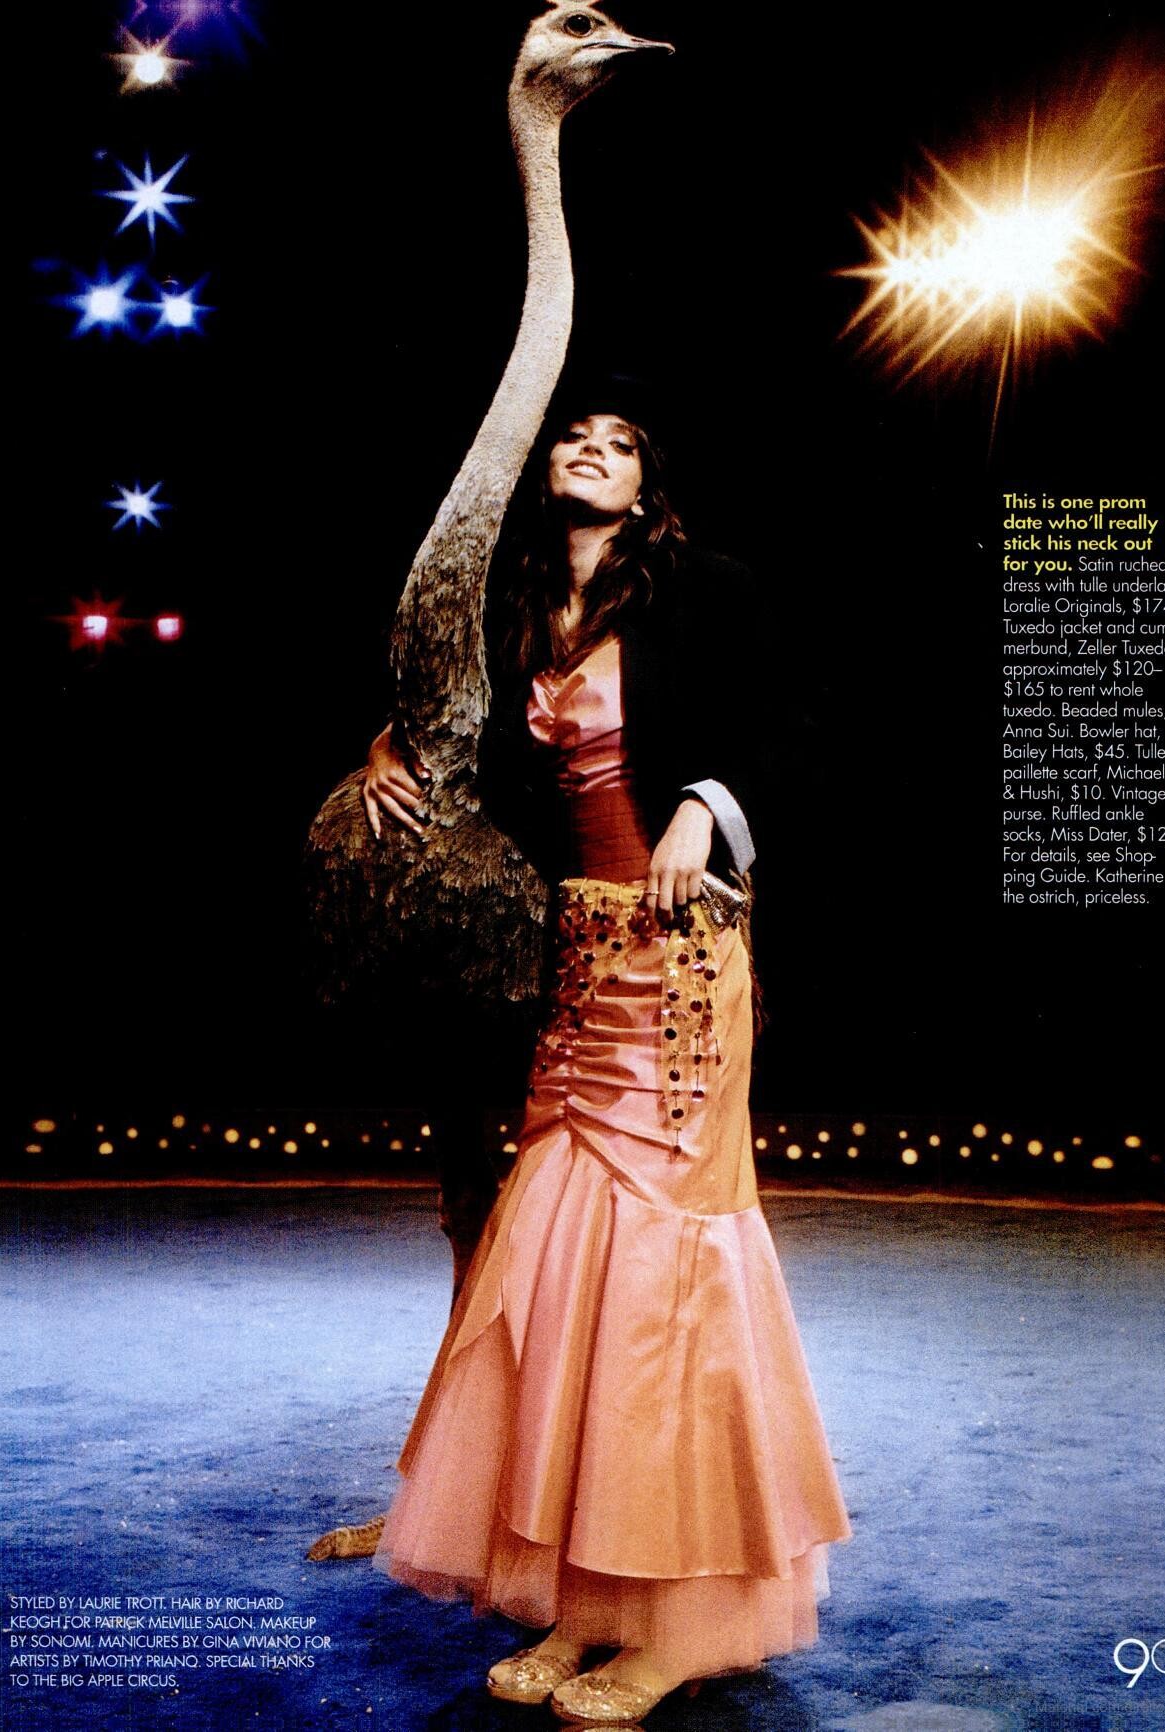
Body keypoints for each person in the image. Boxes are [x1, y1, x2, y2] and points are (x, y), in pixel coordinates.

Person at [361, 404, 852, 1725]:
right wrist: (387, 751)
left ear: (646, 486)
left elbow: (792, 732)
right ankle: (588, 1605)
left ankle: (675, 1625)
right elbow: (459, 741)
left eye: (620, 442)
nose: (590, 449)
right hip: (576, 965)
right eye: (574, 434)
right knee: (567, 1269)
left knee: (662, 1286)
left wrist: (705, 803)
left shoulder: (707, 587)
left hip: (684, 957)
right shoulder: (518, 610)